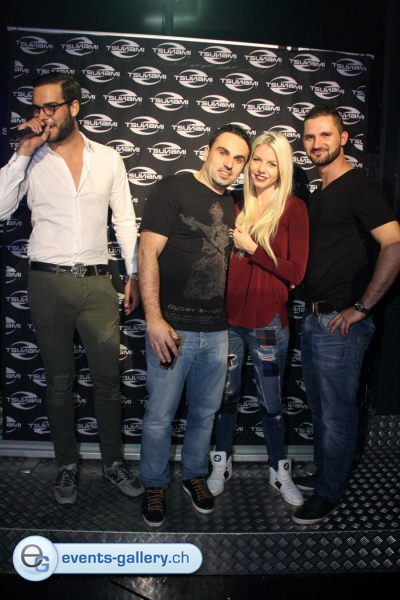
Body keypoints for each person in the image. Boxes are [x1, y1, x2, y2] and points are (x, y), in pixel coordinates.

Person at [0, 73, 144, 505]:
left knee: (108, 381)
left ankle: (113, 462)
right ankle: (67, 464)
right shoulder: (32, 158)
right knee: (59, 382)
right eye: (37, 108)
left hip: (99, 285)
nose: (43, 116)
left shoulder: (108, 158)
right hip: (48, 283)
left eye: (51, 107)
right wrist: (23, 152)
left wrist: (134, 274)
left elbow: (124, 220)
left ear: (74, 107)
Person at [138, 124, 251, 527]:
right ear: (206, 151)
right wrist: (154, 319)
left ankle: (194, 475)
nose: (230, 164)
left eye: (239, 159)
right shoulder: (174, 188)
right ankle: (154, 483)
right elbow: (147, 253)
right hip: (173, 329)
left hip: (217, 331)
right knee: (159, 415)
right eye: (223, 152)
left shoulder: (237, 205)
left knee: (205, 413)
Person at [292, 105, 400, 524]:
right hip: (314, 318)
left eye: (325, 135)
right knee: (322, 409)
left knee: (337, 414)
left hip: (341, 322)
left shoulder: (360, 186)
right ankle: (326, 472)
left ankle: (328, 492)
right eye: (309, 137)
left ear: (343, 139)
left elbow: (394, 244)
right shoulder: (319, 193)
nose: (316, 143)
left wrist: (362, 307)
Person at [207, 132, 309, 507]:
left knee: (271, 401)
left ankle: (278, 470)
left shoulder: (293, 209)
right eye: (257, 160)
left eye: (272, 162)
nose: (262, 168)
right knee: (225, 396)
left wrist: (253, 248)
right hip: (230, 325)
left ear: (283, 168)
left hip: (268, 325)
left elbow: (296, 272)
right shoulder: (235, 205)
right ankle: (221, 462)